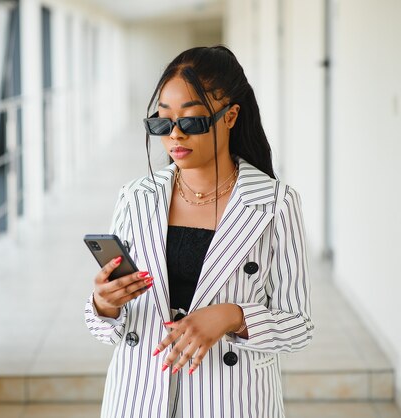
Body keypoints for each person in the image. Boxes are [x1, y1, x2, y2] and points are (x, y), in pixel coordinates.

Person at [84, 45, 313, 418]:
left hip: (232, 399)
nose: (175, 135)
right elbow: (108, 328)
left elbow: (298, 327)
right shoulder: (136, 197)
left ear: (230, 116)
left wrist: (233, 316)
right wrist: (105, 305)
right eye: (161, 122)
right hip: (139, 393)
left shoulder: (275, 204)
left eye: (191, 122)